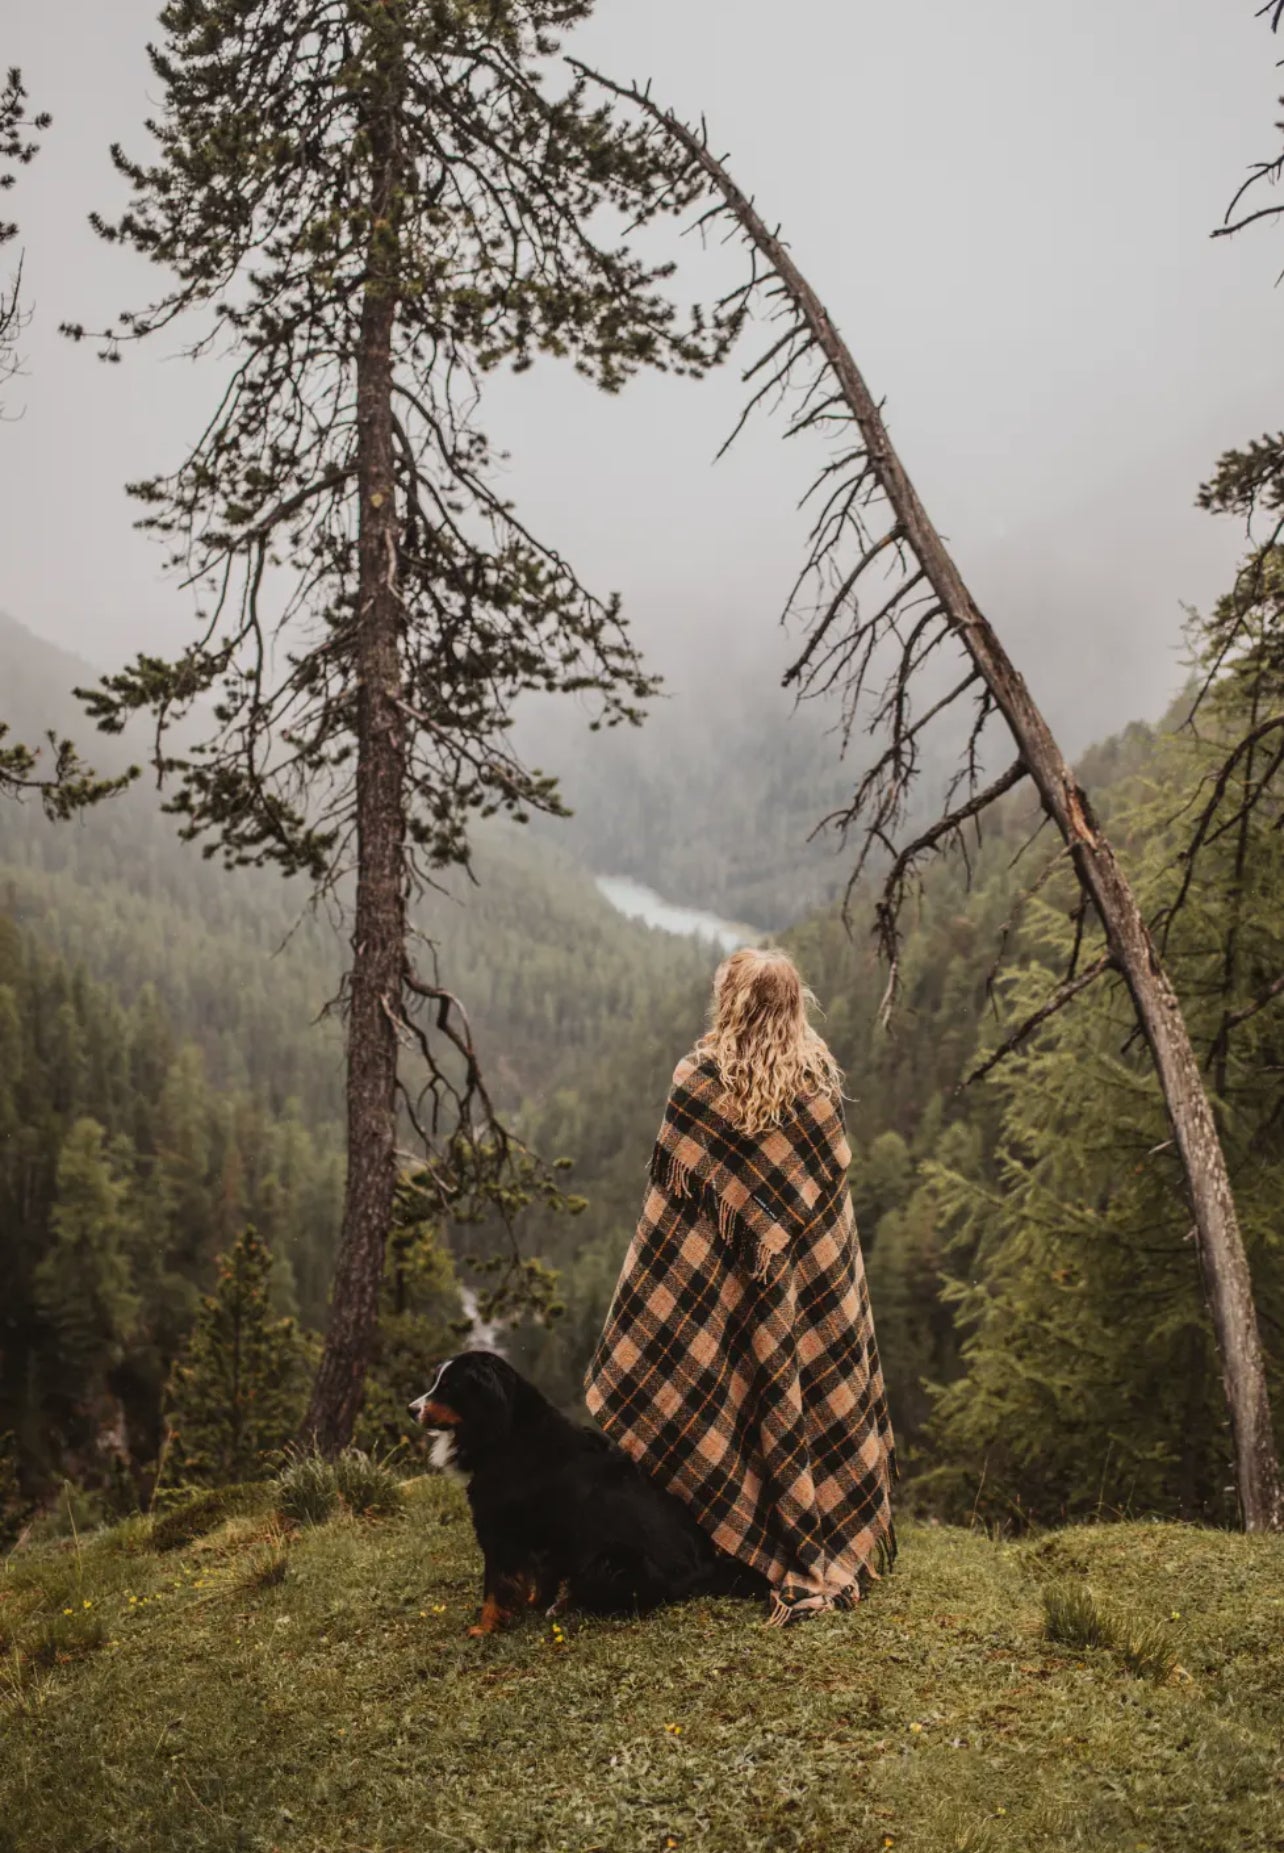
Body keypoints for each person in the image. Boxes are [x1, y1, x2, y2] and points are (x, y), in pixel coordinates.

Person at [585, 945, 896, 1625]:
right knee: (789, 1395)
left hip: (716, 1299)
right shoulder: (818, 1092)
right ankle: (794, 1531)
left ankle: (727, 1541)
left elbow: (665, 1226)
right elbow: (829, 1232)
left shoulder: (697, 1080)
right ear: (792, 1005)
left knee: (723, 1390)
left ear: (731, 1000)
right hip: (788, 1299)